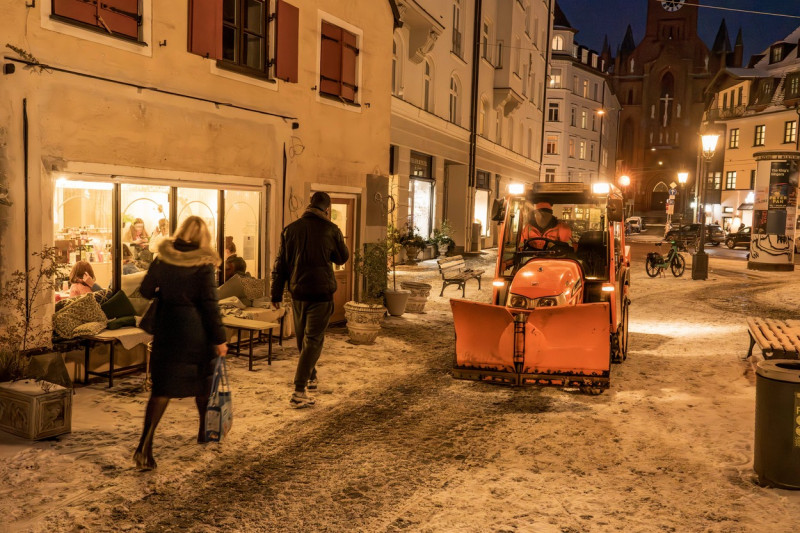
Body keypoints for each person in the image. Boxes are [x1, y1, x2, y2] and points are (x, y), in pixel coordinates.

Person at [134, 216, 228, 471]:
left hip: (167, 327)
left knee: (162, 388)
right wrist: (220, 339)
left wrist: (167, 293)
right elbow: (210, 304)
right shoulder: (203, 263)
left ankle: (145, 446)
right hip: (195, 330)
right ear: (203, 236)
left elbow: (144, 290)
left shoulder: (163, 257)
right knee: (201, 383)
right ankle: (204, 431)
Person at [270, 192, 349, 409]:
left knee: (303, 340)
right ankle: (298, 391)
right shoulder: (331, 229)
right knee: (312, 340)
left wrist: (276, 294)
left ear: (309, 205)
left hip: (298, 293)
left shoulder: (290, 230)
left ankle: (311, 377)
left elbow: (280, 265)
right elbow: (342, 257)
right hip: (321, 294)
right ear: (327, 209)